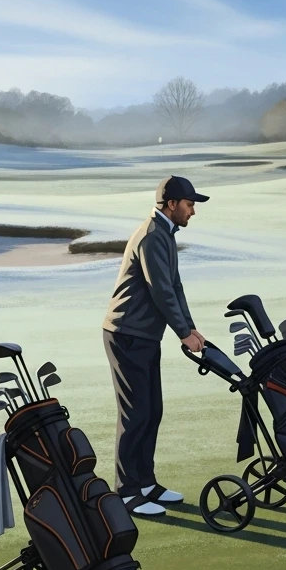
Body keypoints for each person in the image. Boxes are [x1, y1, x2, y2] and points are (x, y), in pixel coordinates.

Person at [102, 175, 209, 517]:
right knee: (136, 414)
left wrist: (189, 327)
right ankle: (126, 492)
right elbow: (159, 289)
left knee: (152, 410)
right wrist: (182, 332)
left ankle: (145, 483)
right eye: (190, 205)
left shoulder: (164, 233)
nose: (193, 212)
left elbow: (175, 287)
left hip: (144, 335)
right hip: (126, 334)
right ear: (172, 204)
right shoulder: (152, 236)